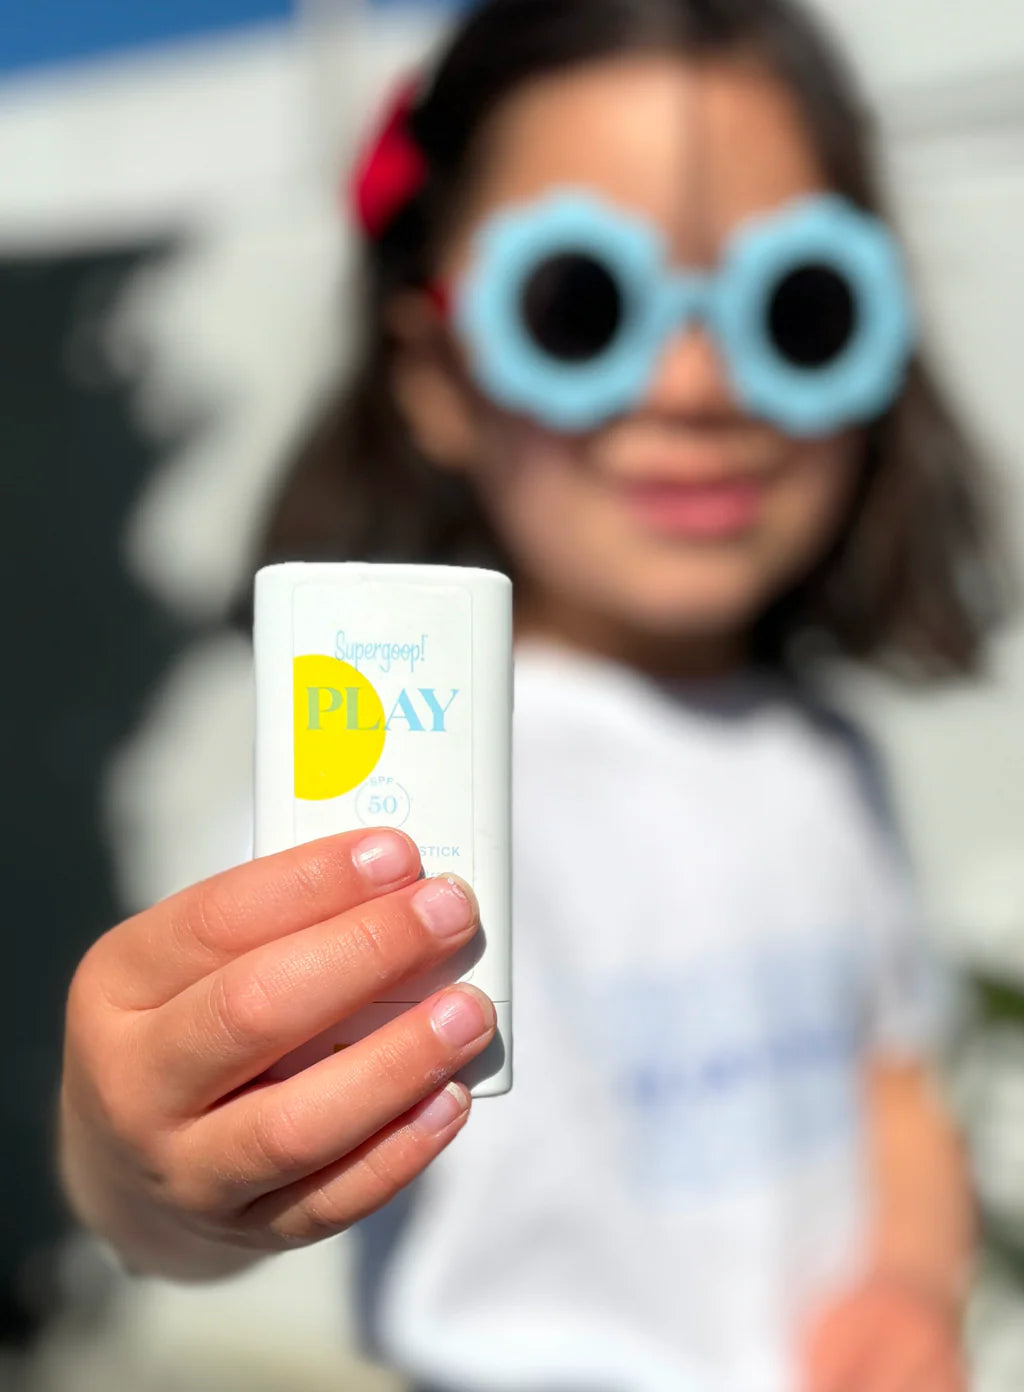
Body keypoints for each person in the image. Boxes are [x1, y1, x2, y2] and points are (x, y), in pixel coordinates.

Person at [60, 0, 1005, 1387]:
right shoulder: (392, 768)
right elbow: (201, 1177)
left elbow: (895, 1090)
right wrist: (141, 1162)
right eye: (583, 306)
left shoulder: (826, 758)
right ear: (436, 369)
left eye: (797, 311)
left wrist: (910, 1289)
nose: (696, 382)